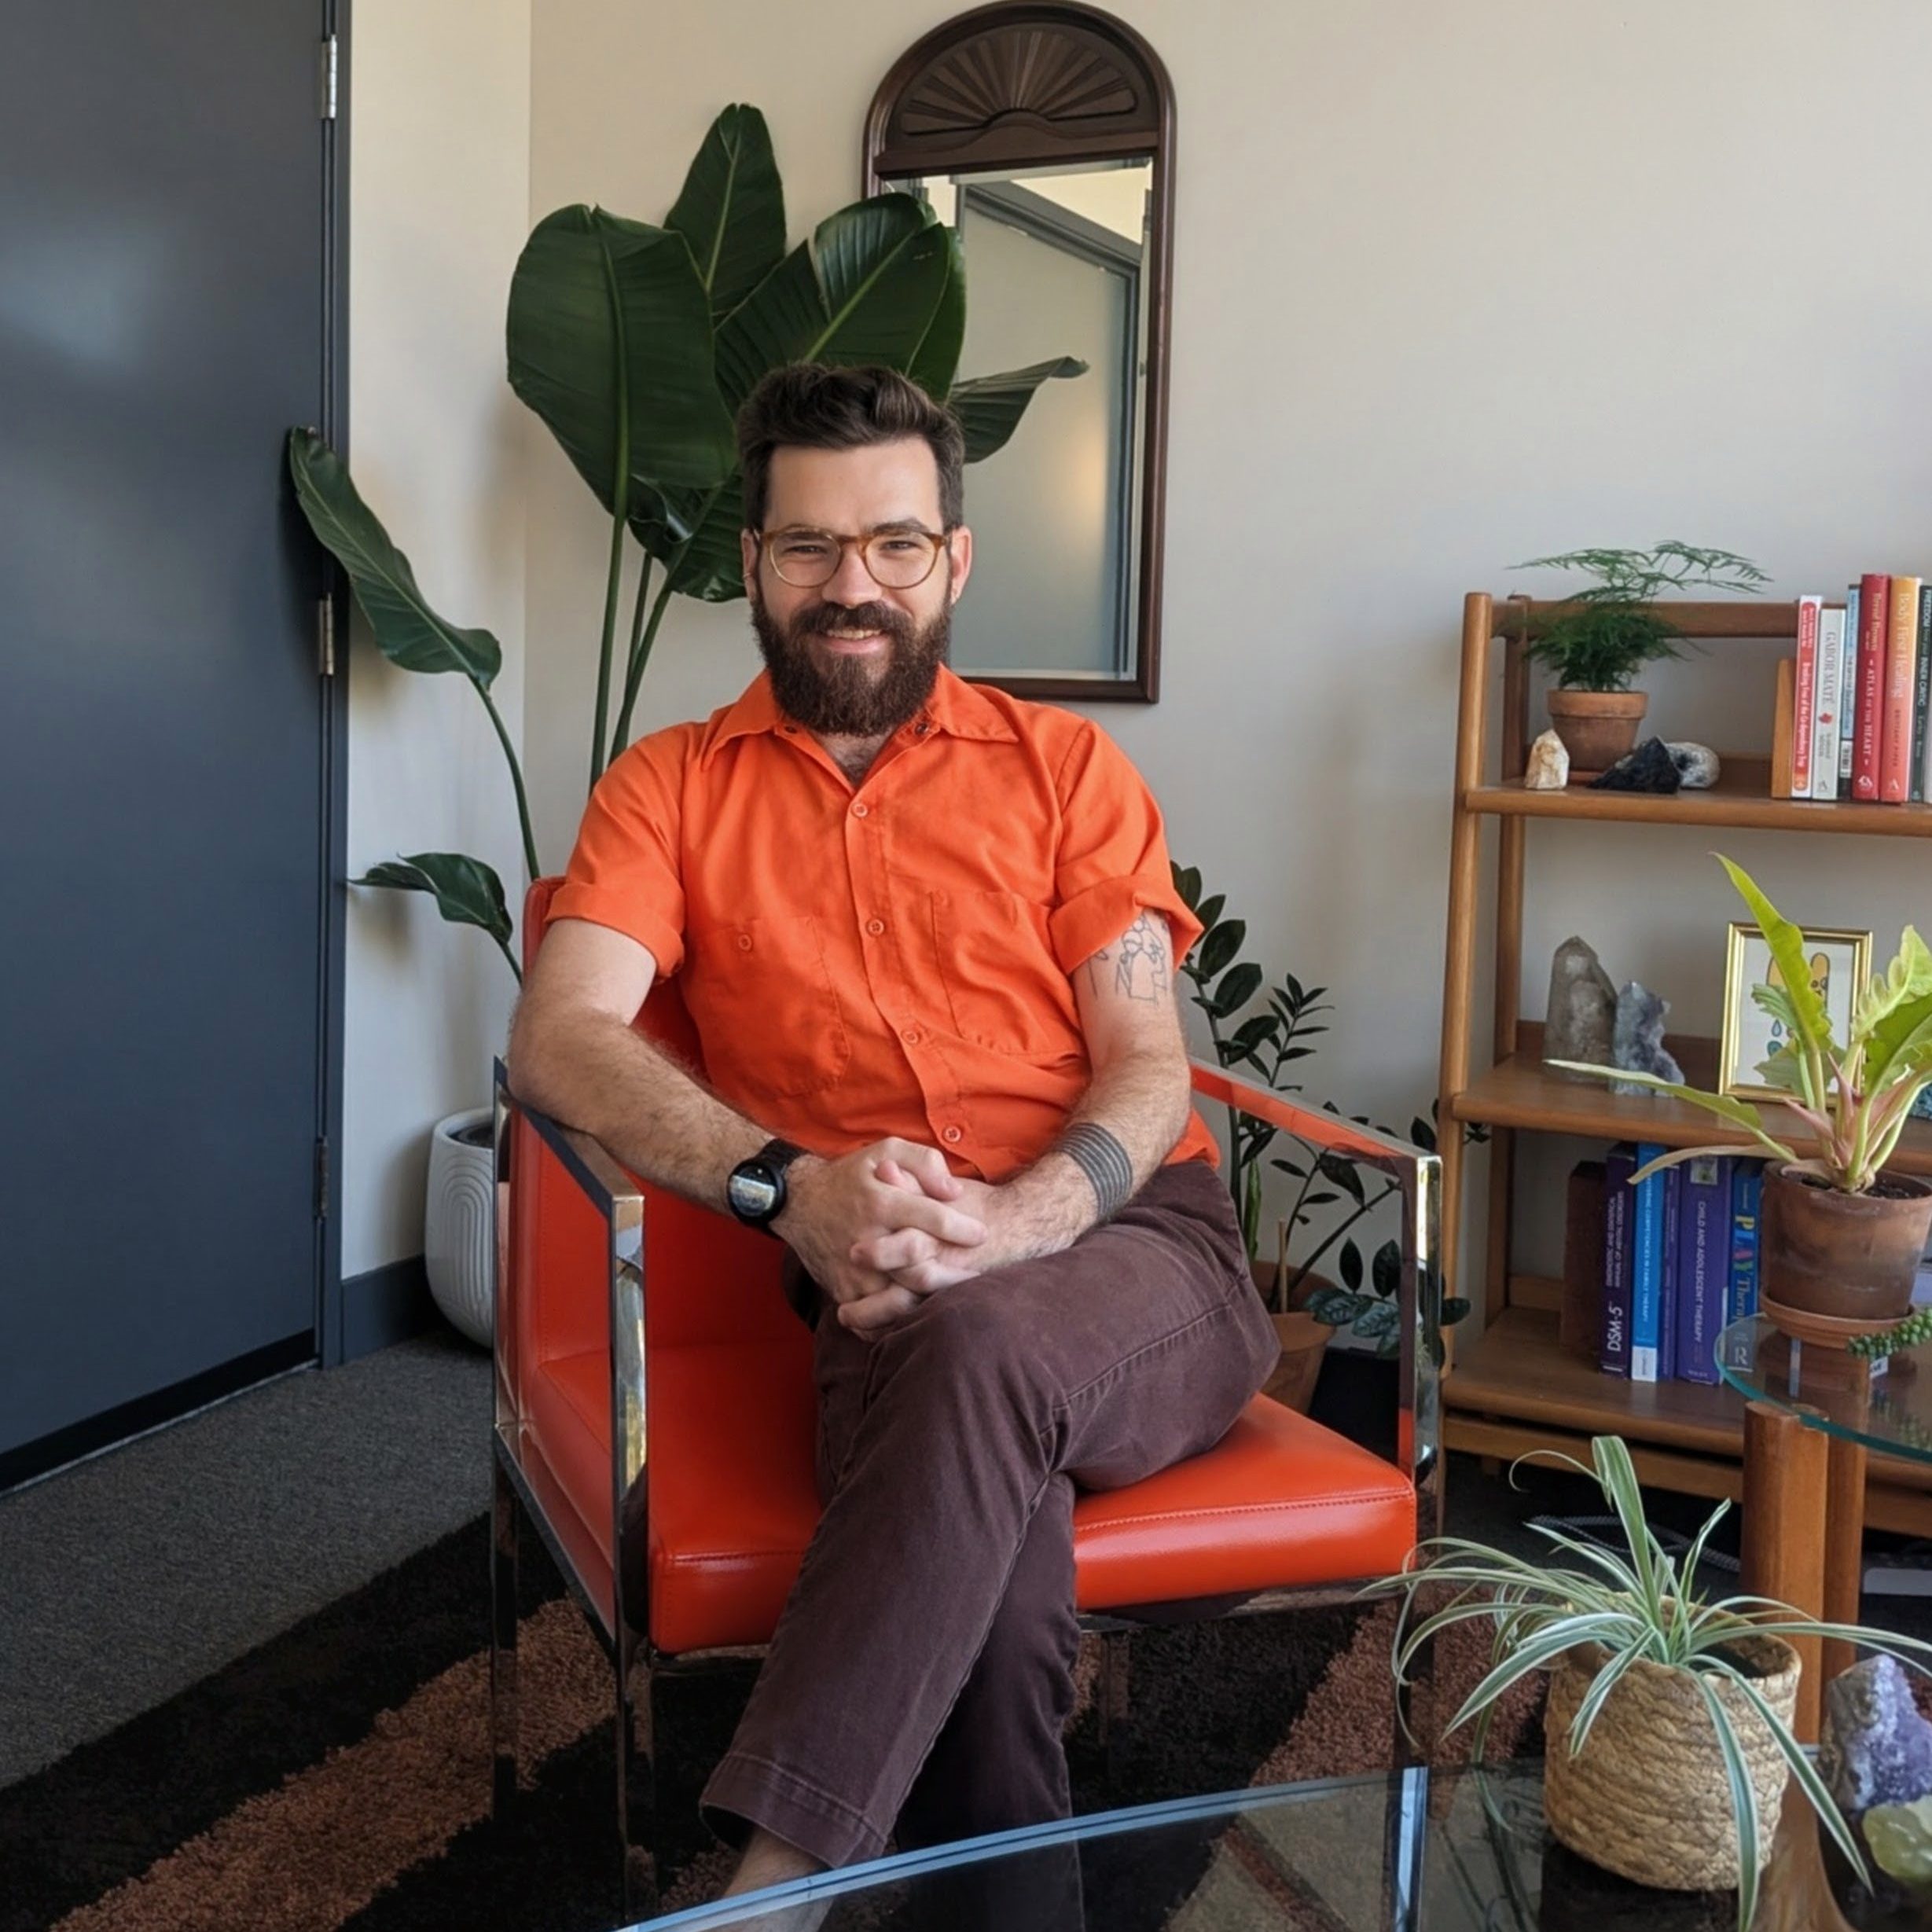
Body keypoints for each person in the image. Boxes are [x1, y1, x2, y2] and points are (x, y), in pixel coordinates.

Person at [505, 362, 1276, 1909]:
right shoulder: (669, 789)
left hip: (1135, 1256)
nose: (850, 585)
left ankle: (774, 1881)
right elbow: (558, 1033)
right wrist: (787, 1188)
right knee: (995, 1608)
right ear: (752, 562)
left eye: (895, 544)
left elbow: (1146, 1065)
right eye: (807, 545)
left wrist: (1020, 1220)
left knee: (977, 1328)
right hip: (871, 1277)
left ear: (954, 559)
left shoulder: (1065, 773)